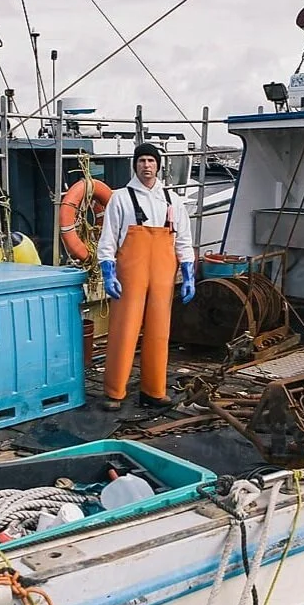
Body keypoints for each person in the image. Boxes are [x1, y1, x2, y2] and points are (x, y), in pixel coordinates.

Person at [97, 142, 196, 411]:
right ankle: (114, 392)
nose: (146, 166)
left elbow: (183, 240)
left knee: (159, 331)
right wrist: (108, 272)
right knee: (124, 328)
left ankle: (153, 391)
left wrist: (188, 274)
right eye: (141, 161)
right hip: (131, 271)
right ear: (135, 165)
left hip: (163, 273)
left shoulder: (173, 200)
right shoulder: (121, 197)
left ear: (158, 165)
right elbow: (107, 240)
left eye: (151, 161)